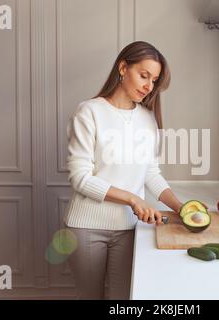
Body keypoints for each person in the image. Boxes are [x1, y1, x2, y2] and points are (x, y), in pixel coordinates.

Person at [64, 41, 184, 300]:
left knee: (124, 299)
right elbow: (80, 178)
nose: (148, 86)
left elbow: (151, 172)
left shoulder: (147, 118)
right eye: (144, 76)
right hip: (86, 228)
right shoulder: (89, 111)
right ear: (122, 67)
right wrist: (132, 198)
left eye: (154, 80)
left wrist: (181, 208)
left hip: (129, 229)